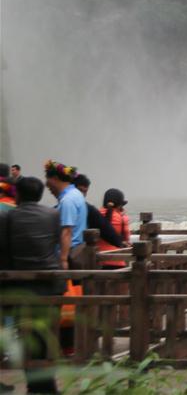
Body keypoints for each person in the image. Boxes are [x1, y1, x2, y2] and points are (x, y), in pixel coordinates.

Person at [0, 176, 65, 393]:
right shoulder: (53, 214)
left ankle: (36, 385)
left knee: (27, 337)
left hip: (20, 285)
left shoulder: (8, 216)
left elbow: (5, 249)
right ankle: (46, 385)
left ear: (18, 194)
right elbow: (54, 243)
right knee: (46, 336)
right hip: (50, 285)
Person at [44, 160, 87, 270]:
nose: (47, 186)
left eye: (48, 181)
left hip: (69, 255)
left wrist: (63, 260)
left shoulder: (68, 200)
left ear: (55, 178)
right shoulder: (76, 194)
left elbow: (67, 231)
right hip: (76, 251)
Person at [73, 174, 125, 250]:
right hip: (80, 250)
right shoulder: (120, 218)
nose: (82, 195)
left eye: (85, 191)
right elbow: (106, 229)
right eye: (80, 190)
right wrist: (120, 243)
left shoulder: (93, 211)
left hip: (82, 249)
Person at [97, 189, 131, 269]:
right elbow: (126, 239)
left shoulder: (96, 215)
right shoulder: (121, 218)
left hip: (97, 261)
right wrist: (123, 217)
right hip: (117, 261)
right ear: (119, 205)